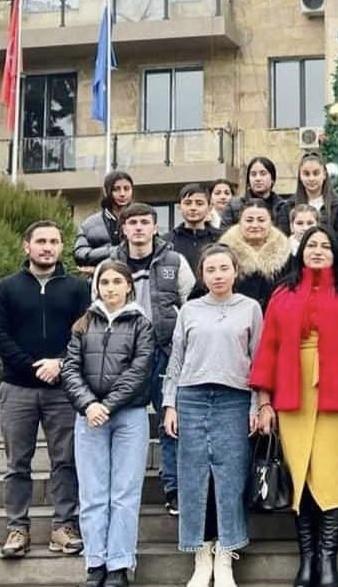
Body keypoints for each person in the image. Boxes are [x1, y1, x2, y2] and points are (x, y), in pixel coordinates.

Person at [251, 226, 338, 587]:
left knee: (332, 476)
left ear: (337, 252)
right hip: (293, 392)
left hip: (337, 393)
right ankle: (306, 558)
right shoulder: (283, 293)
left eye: (325, 246)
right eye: (311, 245)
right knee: (300, 476)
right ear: (300, 251)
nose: (318, 250)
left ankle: (327, 559)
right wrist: (263, 402)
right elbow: (268, 348)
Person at [0, 221, 91, 559]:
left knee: (65, 461)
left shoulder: (78, 289)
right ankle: (17, 528)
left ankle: (63, 526)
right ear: (26, 246)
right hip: (17, 388)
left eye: (54, 241)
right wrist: (34, 365)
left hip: (64, 390)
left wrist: (59, 364)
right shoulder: (7, 288)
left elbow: (85, 333)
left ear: (62, 247)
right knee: (18, 463)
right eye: (41, 241)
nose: (48, 247)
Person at [162, 245, 264, 587]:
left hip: (234, 398)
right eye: (211, 269)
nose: (218, 275)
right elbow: (176, 360)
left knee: (230, 478)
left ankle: (226, 557)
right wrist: (170, 404)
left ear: (235, 271)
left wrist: (257, 404)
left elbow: (259, 361)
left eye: (224, 268)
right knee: (194, 480)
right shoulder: (189, 310)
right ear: (202, 275)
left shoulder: (250, 308)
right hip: (191, 397)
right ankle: (201, 556)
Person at [60, 260, 154, 587]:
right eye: (105, 282)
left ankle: (119, 564)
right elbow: (70, 369)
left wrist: (108, 405)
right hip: (90, 418)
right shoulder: (82, 325)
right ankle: (95, 563)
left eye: (117, 282)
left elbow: (139, 371)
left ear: (129, 285)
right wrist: (89, 405)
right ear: (96, 287)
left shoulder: (142, 324)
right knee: (93, 493)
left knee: (124, 493)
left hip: (128, 416)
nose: (111, 288)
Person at [109, 202, 195, 517]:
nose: (139, 228)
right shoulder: (112, 263)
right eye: (133, 222)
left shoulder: (174, 260)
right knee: (121, 423)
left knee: (171, 423)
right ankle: (118, 490)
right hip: (123, 356)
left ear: (155, 227)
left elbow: (189, 304)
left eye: (145, 222)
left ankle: (174, 490)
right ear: (125, 228)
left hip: (164, 352)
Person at [219, 199, 291, 311]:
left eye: (261, 220)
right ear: (239, 223)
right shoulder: (223, 254)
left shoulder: (286, 255)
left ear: (271, 223)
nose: (255, 225)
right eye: (249, 220)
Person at [165, 183, 222, 300]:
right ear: (179, 207)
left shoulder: (222, 238)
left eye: (199, 203)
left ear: (210, 207)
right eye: (187, 203)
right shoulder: (166, 241)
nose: (193, 208)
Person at [276, 152, 338, 240]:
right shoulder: (287, 207)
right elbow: (283, 239)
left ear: (324, 175)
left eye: (316, 173)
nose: (311, 178)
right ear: (300, 176)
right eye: (306, 174)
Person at [74, 171, 134, 269]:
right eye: (116, 189)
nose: (122, 194)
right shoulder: (90, 224)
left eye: (126, 189)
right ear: (106, 191)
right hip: (102, 278)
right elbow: (80, 254)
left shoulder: (140, 220)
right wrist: (115, 251)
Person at [219, 157, 285, 229]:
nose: (258, 178)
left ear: (272, 179)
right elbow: (225, 234)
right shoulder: (233, 205)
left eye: (263, 174)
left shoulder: (282, 206)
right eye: (253, 174)